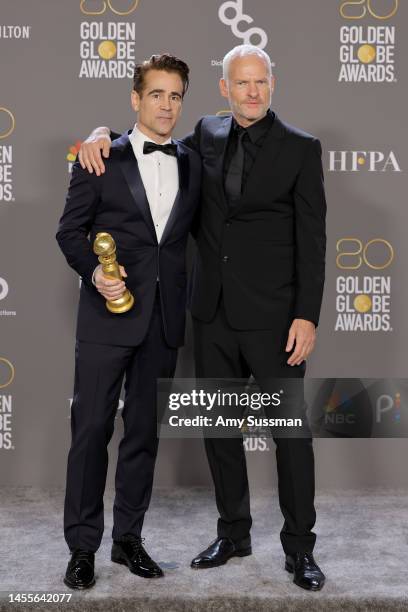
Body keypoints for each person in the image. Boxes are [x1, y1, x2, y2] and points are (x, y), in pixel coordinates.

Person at [78, 44, 327, 591]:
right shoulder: (204, 137)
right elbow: (142, 144)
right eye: (242, 83)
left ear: (272, 83)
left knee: (291, 436)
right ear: (225, 88)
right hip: (210, 314)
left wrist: (306, 316)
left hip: (274, 318)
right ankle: (234, 533)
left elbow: (312, 242)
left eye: (261, 82)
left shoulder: (301, 149)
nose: (252, 92)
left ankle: (300, 547)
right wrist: (100, 132)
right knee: (220, 431)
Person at [56, 53, 201, 589]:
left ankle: (127, 541)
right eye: (156, 94)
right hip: (104, 320)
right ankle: (82, 546)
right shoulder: (98, 157)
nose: (166, 106)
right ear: (136, 98)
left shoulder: (191, 161)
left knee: (142, 436)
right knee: (90, 431)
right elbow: (69, 233)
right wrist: (96, 273)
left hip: (162, 323)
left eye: (176, 96)